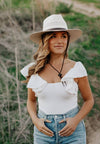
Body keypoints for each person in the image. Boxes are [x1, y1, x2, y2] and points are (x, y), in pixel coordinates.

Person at [20, 14, 94, 144]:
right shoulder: (34, 70)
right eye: (53, 36)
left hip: (72, 132)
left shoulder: (77, 68)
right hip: (43, 133)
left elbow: (89, 100)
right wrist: (35, 120)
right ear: (45, 40)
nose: (59, 41)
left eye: (63, 36)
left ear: (68, 40)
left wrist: (75, 121)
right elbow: (31, 101)